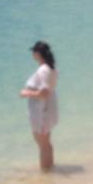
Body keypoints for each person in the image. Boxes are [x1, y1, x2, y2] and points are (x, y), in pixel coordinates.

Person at [20, 41, 58, 172]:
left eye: (33, 52)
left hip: (42, 110)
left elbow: (44, 92)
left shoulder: (43, 70)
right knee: (46, 143)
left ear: (37, 54)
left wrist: (26, 93)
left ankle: (46, 174)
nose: (32, 55)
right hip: (48, 108)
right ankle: (50, 169)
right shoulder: (51, 68)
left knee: (42, 143)